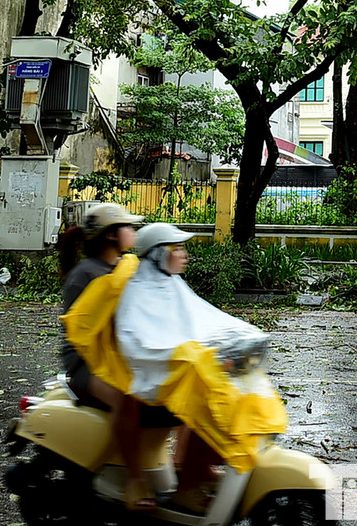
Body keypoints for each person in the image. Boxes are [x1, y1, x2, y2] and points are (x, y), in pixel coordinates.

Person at [116, 224, 279, 514]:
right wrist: (194, 356)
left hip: (179, 380)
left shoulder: (171, 284)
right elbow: (140, 344)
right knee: (214, 405)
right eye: (176, 248)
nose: (184, 254)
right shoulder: (139, 292)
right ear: (157, 255)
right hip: (154, 387)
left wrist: (243, 336)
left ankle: (199, 466)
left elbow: (205, 321)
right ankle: (187, 487)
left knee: (237, 397)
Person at [57, 203, 153, 511]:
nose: (133, 232)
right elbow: (86, 331)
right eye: (129, 227)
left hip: (119, 356)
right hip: (87, 362)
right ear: (112, 236)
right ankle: (135, 482)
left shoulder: (123, 267)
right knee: (127, 399)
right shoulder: (86, 275)